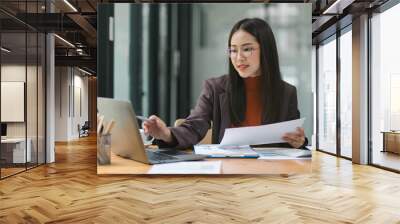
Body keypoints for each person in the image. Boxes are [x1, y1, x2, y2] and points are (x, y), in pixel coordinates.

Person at [143, 18, 307, 149]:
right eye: (233, 50)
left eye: (247, 49)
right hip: (226, 173)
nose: (238, 57)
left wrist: (299, 142)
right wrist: (165, 134)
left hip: (271, 176)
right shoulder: (215, 87)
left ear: (266, 50)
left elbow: (291, 140)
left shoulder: (287, 92)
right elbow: (194, 128)